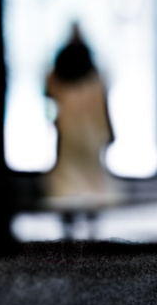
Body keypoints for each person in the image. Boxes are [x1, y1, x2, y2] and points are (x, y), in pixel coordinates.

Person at [42, 26, 117, 211]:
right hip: (86, 134)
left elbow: (48, 91)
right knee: (83, 182)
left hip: (74, 132)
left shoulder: (63, 75)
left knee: (74, 183)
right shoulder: (93, 76)